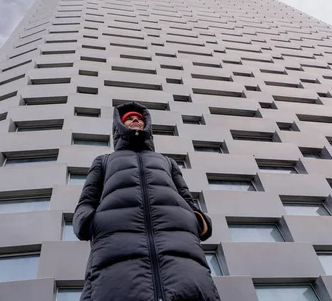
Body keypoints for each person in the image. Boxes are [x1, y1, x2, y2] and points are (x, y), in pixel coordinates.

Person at [73, 101, 221, 301]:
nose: (135, 121)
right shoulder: (104, 161)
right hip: (115, 248)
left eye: (139, 119)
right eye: (129, 119)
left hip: (179, 247)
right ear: (119, 126)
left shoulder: (167, 162)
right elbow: (86, 202)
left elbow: (187, 199)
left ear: (147, 126)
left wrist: (198, 221)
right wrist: (88, 222)